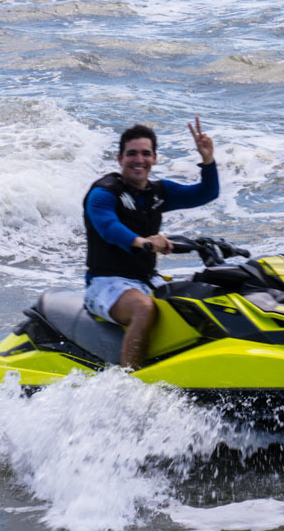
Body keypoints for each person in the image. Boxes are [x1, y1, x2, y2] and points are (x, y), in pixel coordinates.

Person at [82, 118, 219, 369]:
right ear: (120, 158)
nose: (139, 159)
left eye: (146, 153)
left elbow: (206, 193)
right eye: (132, 153)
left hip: (146, 280)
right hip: (105, 284)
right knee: (143, 308)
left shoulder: (158, 192)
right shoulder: (103, 193)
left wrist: (208, 160)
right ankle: (128, 380)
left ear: (154, 158)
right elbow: (109, 228)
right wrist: (144, 242)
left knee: (197, 302)